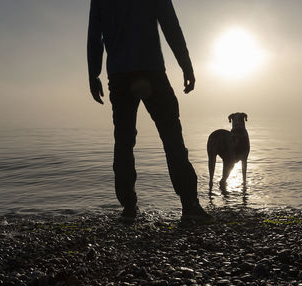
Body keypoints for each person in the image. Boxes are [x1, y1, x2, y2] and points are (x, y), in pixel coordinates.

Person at [87, 0, 211, 222]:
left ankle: (128, 208)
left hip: (119, 75)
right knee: (172, 137)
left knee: (124, 141)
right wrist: (186, 65)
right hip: (151, 71)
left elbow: (94, 35)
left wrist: (93, 74)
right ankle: (190, 206)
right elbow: (170, 26)